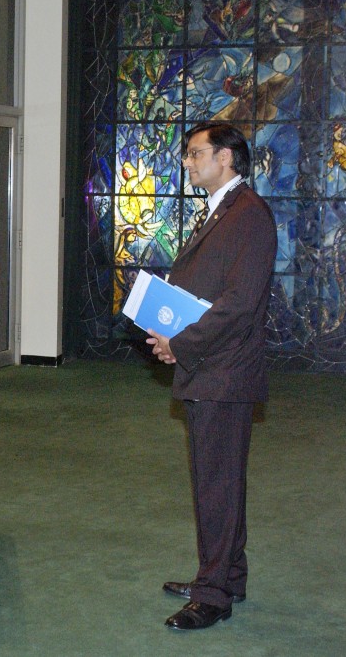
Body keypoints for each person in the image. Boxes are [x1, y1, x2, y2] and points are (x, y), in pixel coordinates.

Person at [146, 123, 276, 630]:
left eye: (195, 152)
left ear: (226, 158)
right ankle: (225, 574)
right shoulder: (225, 210)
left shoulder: (249, 216)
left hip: (225, 372)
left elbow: (239, 306)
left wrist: (182, 342)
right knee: (215, 480)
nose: (187, 161)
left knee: (217, 484)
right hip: (211, 366)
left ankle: (214, 594)